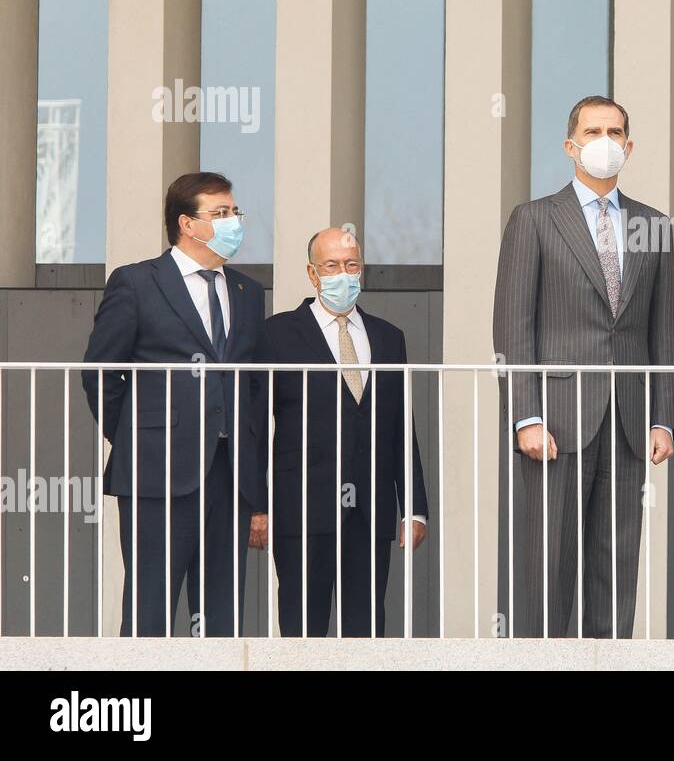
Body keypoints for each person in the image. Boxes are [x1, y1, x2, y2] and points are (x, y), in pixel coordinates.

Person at [492, 95, 674, 639]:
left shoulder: (654, 225)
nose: (605, 140)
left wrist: (663, 417)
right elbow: (512, 325)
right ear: (570, 144)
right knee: (549, 568)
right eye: (593, 130)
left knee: (616, 568)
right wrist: (525, 414)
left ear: (629, 145)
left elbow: (661, 331)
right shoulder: (534, 219)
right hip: (556, 419)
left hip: (628, 422)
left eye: (615, 131)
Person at [82, 172, 264, 637]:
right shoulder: (137, 282)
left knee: (223, 614)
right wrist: (137, 438)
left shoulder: (246, 292)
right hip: (155, 471)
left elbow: (251, 386)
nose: (232, 222)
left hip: (229, 471)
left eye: (234, 212)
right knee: (150, 609)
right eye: (220, 213)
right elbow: (101, 373)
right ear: (187, 223)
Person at [249, 227, 429, 637]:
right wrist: (256, 506)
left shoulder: (388, 337)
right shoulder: (276, 334)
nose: (343, 274)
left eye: (351, 265)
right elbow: (256, 426)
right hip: (302, 508)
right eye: (332, 266)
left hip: (371, 510)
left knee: (365, 632)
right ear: (313, 275)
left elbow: (401, 424)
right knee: (302, 629)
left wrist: (414, 506)